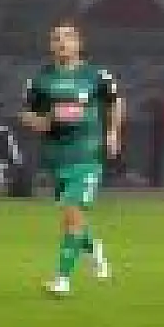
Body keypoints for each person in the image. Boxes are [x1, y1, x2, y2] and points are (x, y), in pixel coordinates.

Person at [20, 19, 121, 296]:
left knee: (72, 214)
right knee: (71, 213)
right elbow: (27, 113)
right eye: (56, 38)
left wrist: (112, 133)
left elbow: (114, 102)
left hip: (87, 154)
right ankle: (94, 249)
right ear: (51, 45)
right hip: (57, 156)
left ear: (79, 44)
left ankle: (62, 279)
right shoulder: (40, 80)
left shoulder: (96, 76)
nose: (62, 43)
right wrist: (39, 122)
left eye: (67, 38)